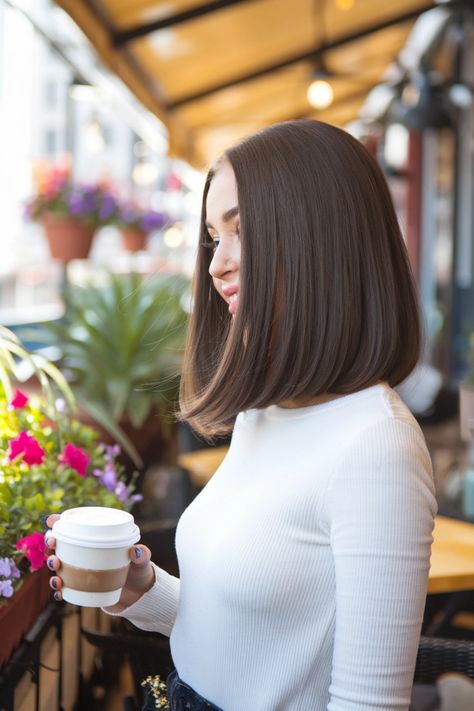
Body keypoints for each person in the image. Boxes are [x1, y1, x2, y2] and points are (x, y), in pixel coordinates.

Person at [45, 120, 437, 711]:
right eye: (211, 237)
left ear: (322, 240)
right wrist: (142, 589)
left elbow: (370, 704)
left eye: (242, 231)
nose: (216, 265)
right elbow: (245, 639)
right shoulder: (268, 412)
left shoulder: (376, 445)